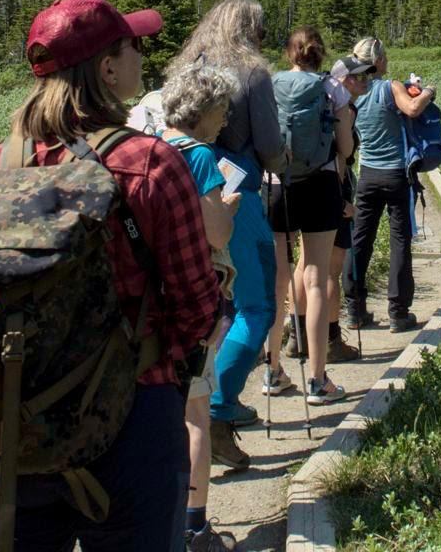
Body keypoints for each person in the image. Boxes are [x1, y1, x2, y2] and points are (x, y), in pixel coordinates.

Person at [0, 0, 220, 552]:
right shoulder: (150, 163)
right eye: (133, 46)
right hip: (133, 422)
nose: (141, 56)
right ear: (107, 69)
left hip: (17, 426)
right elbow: (197, 308)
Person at [165, 0, 282, 446]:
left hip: (193, 193)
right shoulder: (253, 74)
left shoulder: (189, 66)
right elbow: (269, 145)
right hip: (239, 196)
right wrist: (285, 160)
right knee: (258, 306)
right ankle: (219, 404)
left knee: (220, 305)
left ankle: (202, 400)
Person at [159, 61, 245, 551]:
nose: (225, 119)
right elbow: (217, 233)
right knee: (196, 413)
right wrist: (227, 208)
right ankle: (194, 527)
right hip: (195, 299)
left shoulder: (152, 145)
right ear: (205, 110)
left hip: (154, 300)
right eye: (222, 109)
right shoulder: (200, 156)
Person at [264, 28, 352, 406]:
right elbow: (345, 146)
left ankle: (272, 371)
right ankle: (318, 380)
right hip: (321, 183)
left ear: (290, 53)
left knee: (278, 279)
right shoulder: (333, 89)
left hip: (277, 183)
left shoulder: (270, 85)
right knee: (316, 278)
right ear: (321, 54)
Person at [281, 54, 372, 364]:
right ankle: (331, 341)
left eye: (367, 76)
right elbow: (342, 154)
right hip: (329, 190)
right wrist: (342, 200)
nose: (365, 81)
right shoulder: (342, 108)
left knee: (303, 264)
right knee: (329, 269)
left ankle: (297, 337)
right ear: (341, 79)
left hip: (298, 184)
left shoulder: (316, 100)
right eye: (358, 77)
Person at [347, 36, 437, 333]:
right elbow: (412, 109)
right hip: (396, 174)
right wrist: (428, 92)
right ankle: (398, 312)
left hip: (367, 174)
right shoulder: (389, 87)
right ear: (378, 61)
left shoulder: (354, 91)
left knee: (361, 239)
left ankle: (354, 308)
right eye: (384, 57)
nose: (387, 61)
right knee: (400, 239)